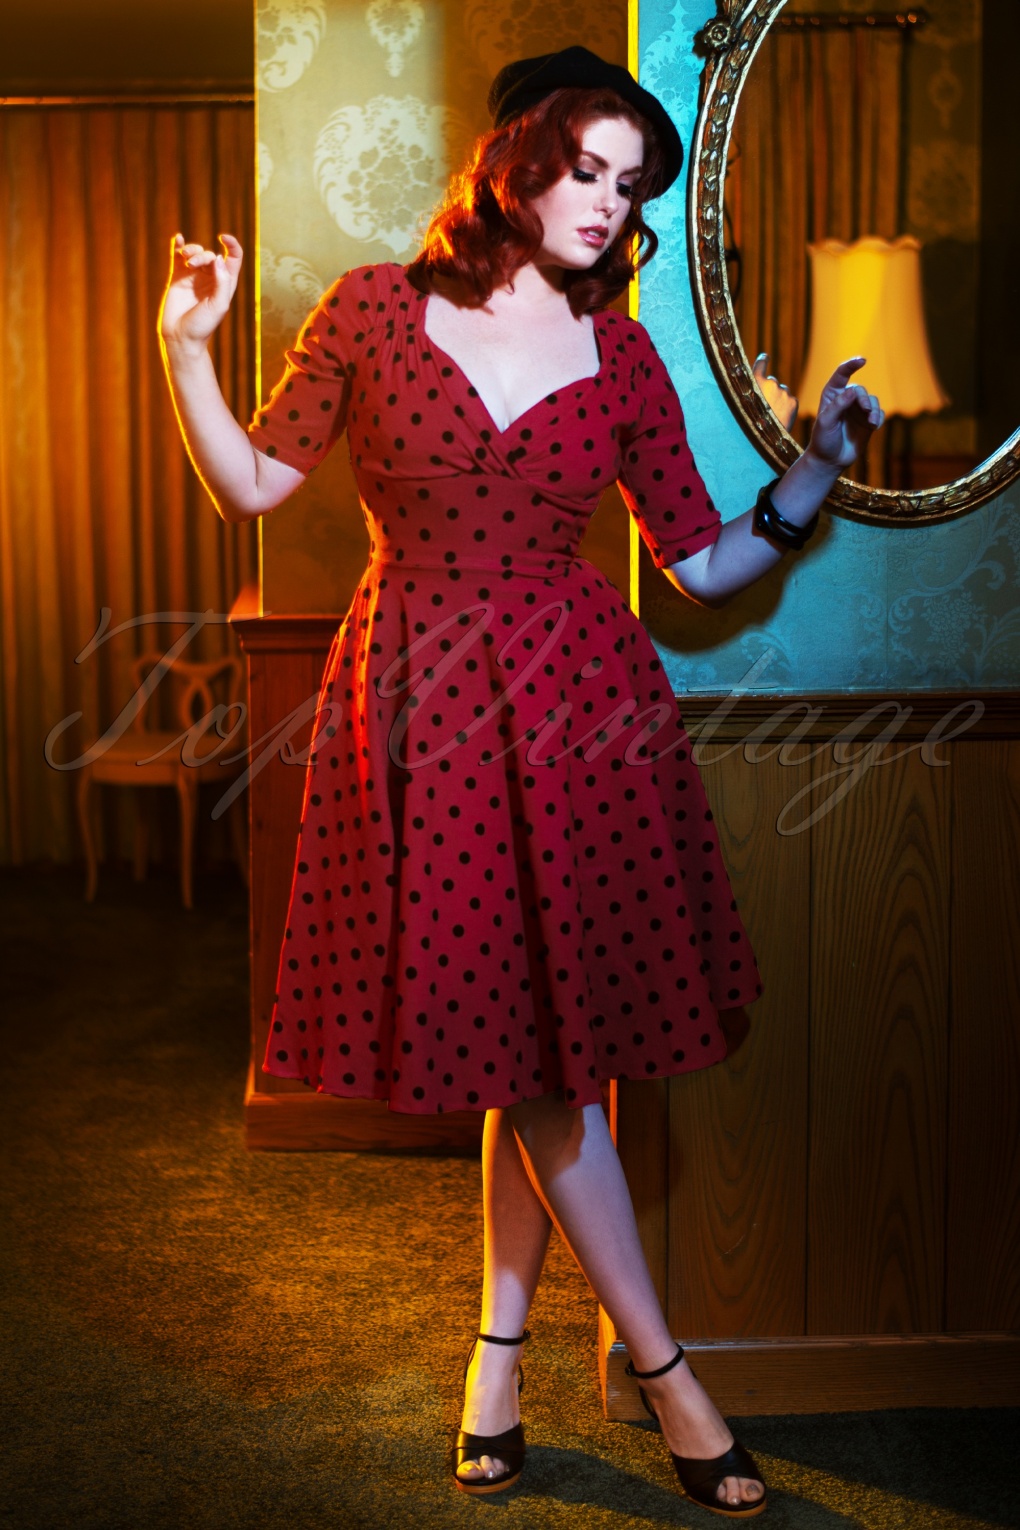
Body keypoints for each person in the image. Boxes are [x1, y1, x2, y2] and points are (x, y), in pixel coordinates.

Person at [159, 45, 882, 1519]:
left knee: (539, 1049)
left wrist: (806, 479)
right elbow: (251, 486)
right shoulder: (372, 308)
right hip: (419, 697)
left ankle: (497, 1356)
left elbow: (695, 562)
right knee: (535, 1058)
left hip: (581, 708)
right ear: (517, 159)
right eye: (587, 168)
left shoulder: (621, 359)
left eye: (631, 188)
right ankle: (671, 1377)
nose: (608, 205)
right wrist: (186, 346)